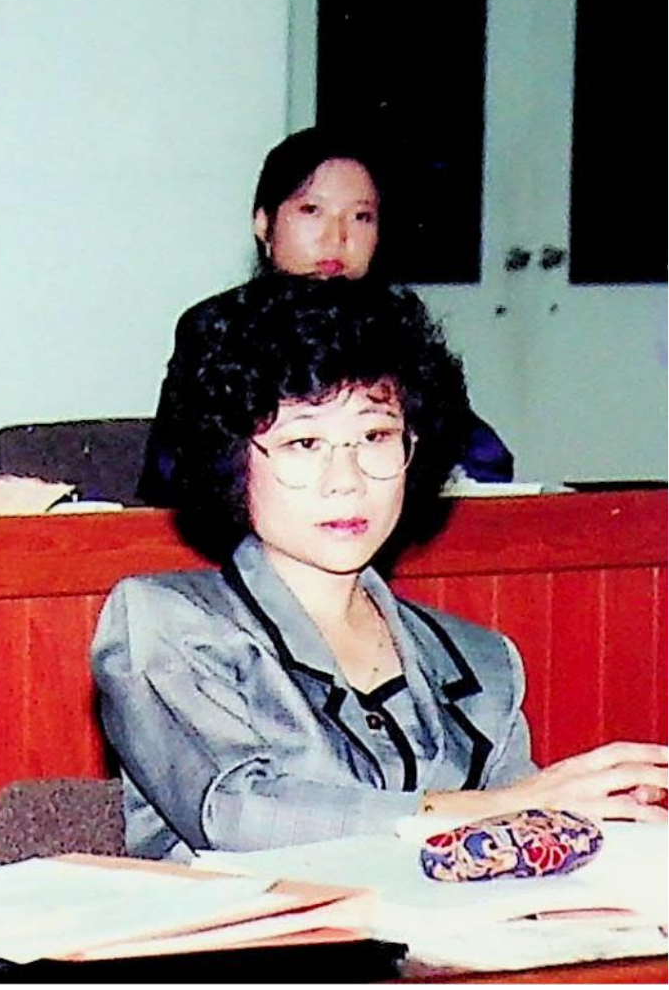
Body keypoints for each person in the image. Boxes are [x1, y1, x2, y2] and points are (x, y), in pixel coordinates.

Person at [92, 275, 667, 860]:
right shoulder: (167, 624)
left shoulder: (483, 663)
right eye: (304, 444)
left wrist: (594, 821)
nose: (347, 480)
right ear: (235, 460)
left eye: (374, 435)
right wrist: (496, 807)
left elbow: (511, 848)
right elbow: (236, 813)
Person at [138, 126, 513, 506]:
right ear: (264, 223)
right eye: (311, 211)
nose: (336, 236)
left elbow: (485, 460)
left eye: (361, 216)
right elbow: (173, 475)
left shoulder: (395, 325)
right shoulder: (216, 326)